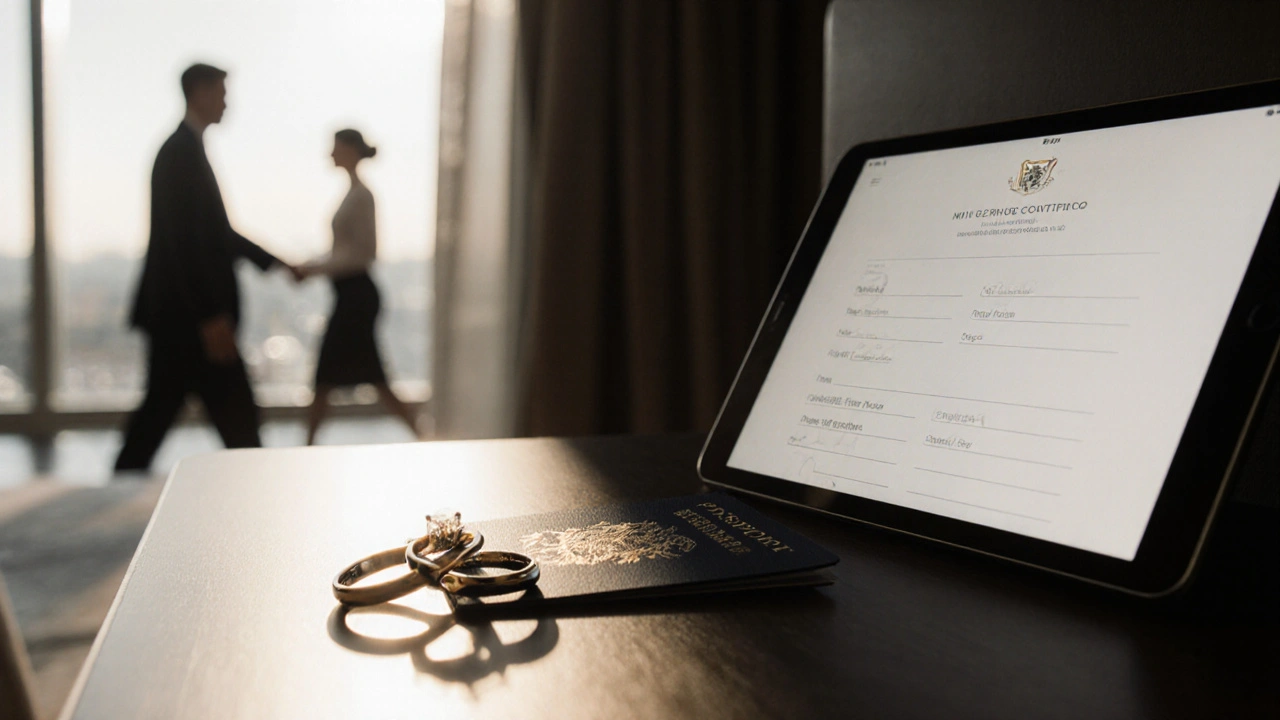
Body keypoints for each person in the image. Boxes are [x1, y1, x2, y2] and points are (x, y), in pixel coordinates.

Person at [114, 63, 297, 471]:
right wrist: (210, 316)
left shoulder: (186, 149)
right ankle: (258, 493)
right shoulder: (181, 152)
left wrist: (278, 263)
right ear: (199, 92)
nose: (228, 103)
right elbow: (185, 244)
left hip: (184, 318)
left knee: (164, 413)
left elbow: (215, 235)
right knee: (233, 420)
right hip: (192, 320)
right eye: (222, 93)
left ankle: (119, 484)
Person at [295, 129, 419, 444]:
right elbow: (344, 251)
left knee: (333, 377)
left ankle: (306, 446)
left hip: (356, 297)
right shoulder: (354, 193)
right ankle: (424, 435)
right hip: (350, 295)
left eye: (335, 147)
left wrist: (315, 269)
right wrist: (314, 265)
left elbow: (365, 253)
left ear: (349, 149)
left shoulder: (362, 196)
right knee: (365, 377)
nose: (330, 153)